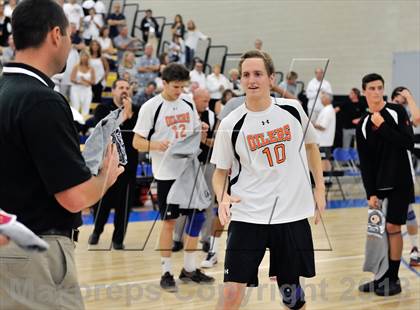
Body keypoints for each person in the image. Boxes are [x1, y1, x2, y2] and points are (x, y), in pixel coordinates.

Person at [0, 0, 123, 308]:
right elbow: (75, 197)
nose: (71, 44)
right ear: (56, 34)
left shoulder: (5, 92)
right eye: (69, 35)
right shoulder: (42, 100)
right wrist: (106, 175)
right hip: (35, 251)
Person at [212, 50, 325, 310]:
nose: (252, 80)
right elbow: (220, 173)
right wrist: (222, 197)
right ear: (240, 80)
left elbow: (311, 147)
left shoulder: (293, 109)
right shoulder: (231, 122)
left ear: (271, 78)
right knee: (231, 293)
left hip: (290, 215)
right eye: (246, 75)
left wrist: (319, 189)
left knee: (292, 295)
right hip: (248, 215)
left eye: (258, 74)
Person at [132, 63, 215, 292]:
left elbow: (193, 134)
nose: (179, 91)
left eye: (182, 86)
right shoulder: (151, 107)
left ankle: (189, 269)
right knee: (169, 222)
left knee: (197, 218)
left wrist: (202, 131)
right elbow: (136, 141)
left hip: (190, 168)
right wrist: (155, 144)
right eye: (175, 86)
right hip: (167, 173)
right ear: (164, 83)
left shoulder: (188, 102)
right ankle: (166, 271)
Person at [356, 73, 414, 296]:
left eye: (380, 87)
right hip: (379, 186)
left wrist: (382, 127)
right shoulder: (362, 124)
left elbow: (408, 143)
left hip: (400, 182)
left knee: (392, 228)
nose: (377, 92)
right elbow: (365, 163)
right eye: (372, 88)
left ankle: (394, 278)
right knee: (377, 232)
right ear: (364, 92)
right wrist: (370, 193)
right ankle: (380, 277)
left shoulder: (396, 112)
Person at [87, 79, 139, 250]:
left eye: (127, 88)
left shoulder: (137, 111)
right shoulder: (102, 108)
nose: (124, 91)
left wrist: (129, 114)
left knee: (124, 205)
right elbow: (105, 129)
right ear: (114, 91)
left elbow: (139, 133)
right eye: (121, 88)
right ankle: (96, 231)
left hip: (128, 165)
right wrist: (124, 115)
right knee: (103, 202)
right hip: (106, 164)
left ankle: (118, 239)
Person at [391, 86, 420, 266]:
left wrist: (409, 97)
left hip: (403, 171)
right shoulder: (384, 112)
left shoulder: (405, 117)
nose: (401, 106)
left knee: (409, 211)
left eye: (404, 103)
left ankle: (415, 249)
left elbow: (417, 118)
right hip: (384, 171)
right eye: (398, 101)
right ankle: (384, 255)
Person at [313, 92, 336, 174]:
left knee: (324, 160)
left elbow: (323, 126)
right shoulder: (327, 109)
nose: (321, 100)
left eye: (322, 98)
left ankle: (326, 179)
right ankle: (326, 179)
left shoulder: (328, 110)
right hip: (323, 141)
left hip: (324, 141)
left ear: (327, 99)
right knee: (324, 159)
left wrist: (312, 124)